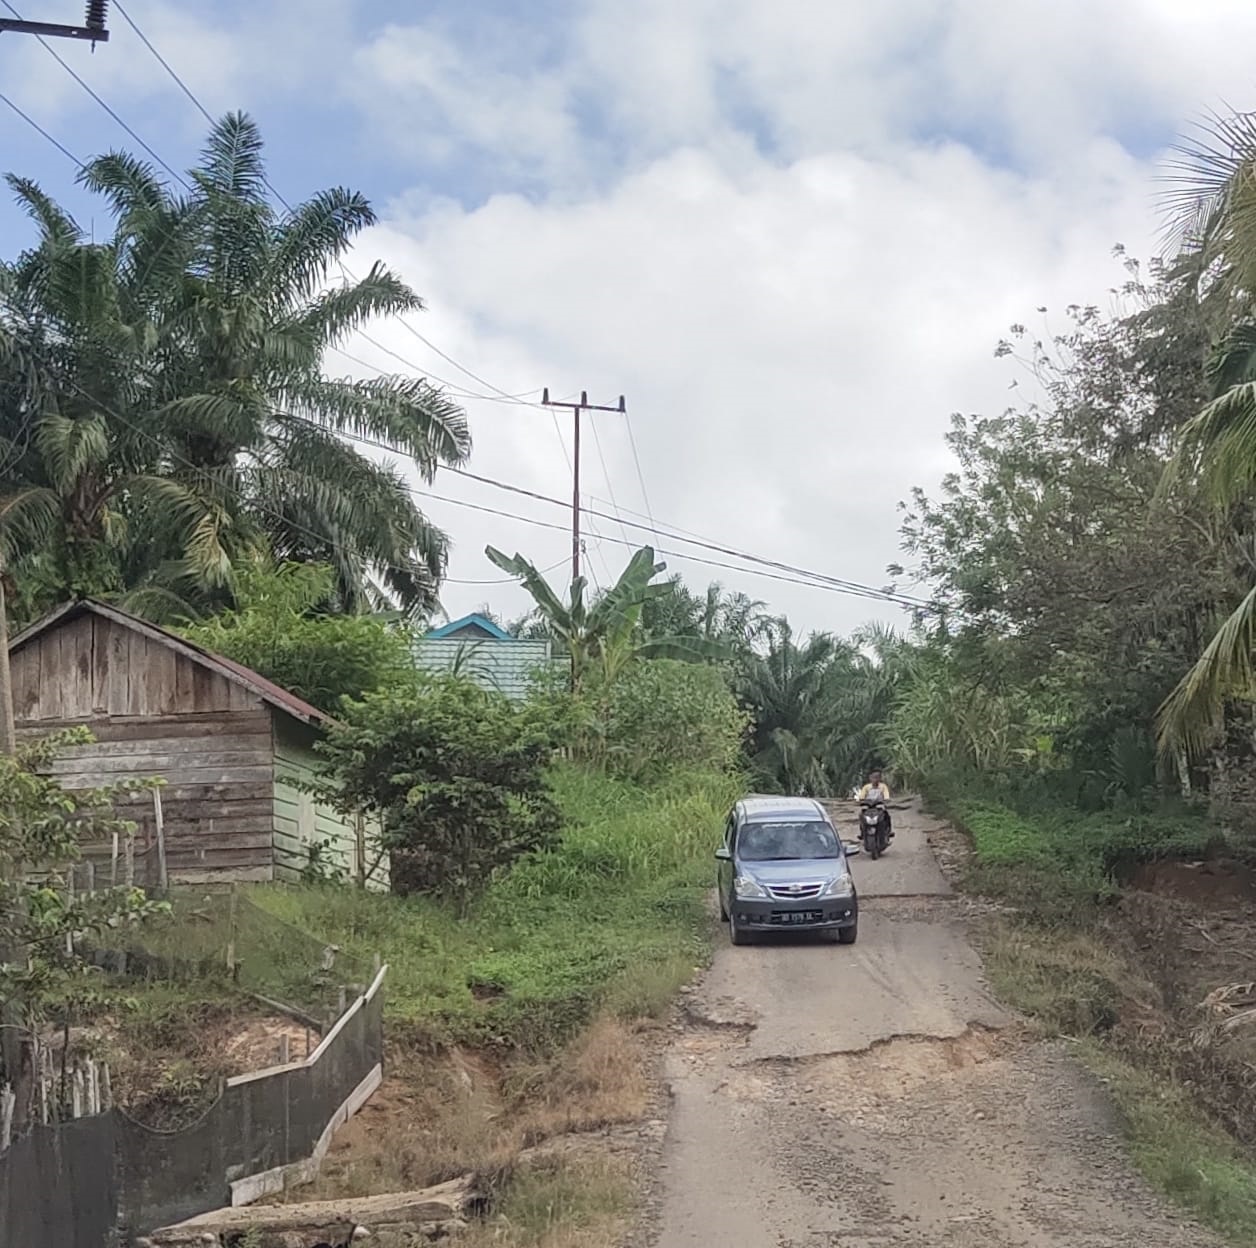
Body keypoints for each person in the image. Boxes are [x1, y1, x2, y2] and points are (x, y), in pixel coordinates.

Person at [856, 769, 893, 839]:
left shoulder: (883, 787)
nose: (875, 779)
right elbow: (862, 797)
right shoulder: (866, 787)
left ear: (880, 778)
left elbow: (886, 796)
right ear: (870, 778)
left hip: (879, 805)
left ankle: (888, 830)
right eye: (874, 777)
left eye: (877, 777)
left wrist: (886, 799)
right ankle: (862, 832)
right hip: (868, 806)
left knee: (886, 815)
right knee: (861, 815)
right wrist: (861, 801)